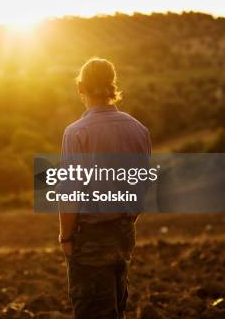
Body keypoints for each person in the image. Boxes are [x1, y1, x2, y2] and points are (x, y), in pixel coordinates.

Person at [59, 58, 151, 319]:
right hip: (124, 235)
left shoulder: (76, 133)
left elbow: (69, 193)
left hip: (90, 237)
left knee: (92, 310)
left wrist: (66, 237)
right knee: (116, 309)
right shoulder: (138, 129)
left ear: (81, 88)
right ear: (112, 87)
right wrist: (126, 221)